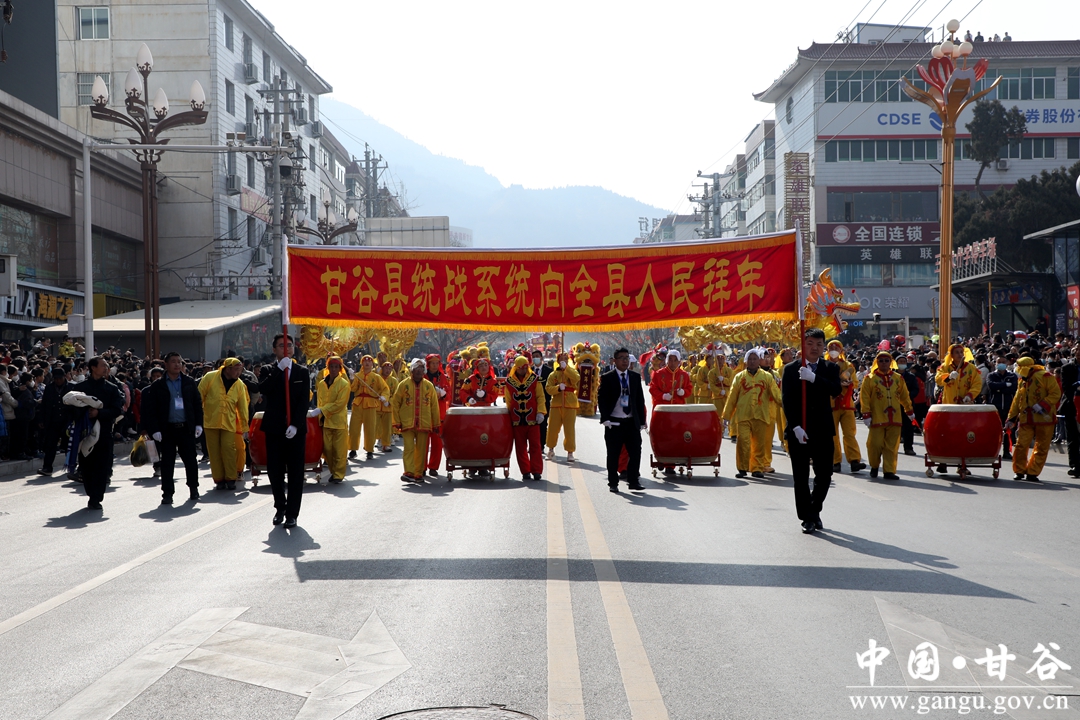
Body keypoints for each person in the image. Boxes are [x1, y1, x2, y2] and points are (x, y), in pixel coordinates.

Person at [782, 329, 842, 534]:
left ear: (823, 346)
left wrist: (814, 378)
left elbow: (836, 389)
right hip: (799, 430)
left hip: (822, 429)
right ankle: (806, 518)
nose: (814, 348)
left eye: (819, 344)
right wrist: (795, 426)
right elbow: (787, 400)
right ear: (803, 344)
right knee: (801, 477)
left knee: (824, 475)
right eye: (810, 343)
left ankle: (815, 510)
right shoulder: (791, 369)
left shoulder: (830, 368)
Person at [259, 334, 310, 528]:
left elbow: (304, 401)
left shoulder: (302, 372)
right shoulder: (268, 370)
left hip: (295, 430)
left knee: (296, 472)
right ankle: (280, 506)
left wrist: (295, 424)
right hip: (274, 428)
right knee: (275, 471)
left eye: (289, 345)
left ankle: (292, 513)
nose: (286, 349)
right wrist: (278, 370)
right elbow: (264, 389)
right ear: (274, 350)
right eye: (282, 346)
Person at [141, 352, 204, 504]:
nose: (177, 364)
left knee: (190, 460)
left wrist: (198, 424)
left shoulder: (189, 382)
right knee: (167, 462)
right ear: (166, 364)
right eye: (173, 361)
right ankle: (167, 493)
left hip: (185, 428)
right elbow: (151, 409)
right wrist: (155, 429)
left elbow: (197, 404)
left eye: (179, 362)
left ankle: (193, 488)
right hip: (167, 429)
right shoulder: (158, 385)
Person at [68, 356, 124, 510]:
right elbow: (71, 409)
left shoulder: (112, 388)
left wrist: (99, 413)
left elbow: (117, 410)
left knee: (102, 466)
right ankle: (90, 492)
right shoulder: (80, 388)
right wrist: (85, 413)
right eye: (103, 365)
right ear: (93, 368)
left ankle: (96, 498)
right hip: (84, 433)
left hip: (104, 432)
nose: (106, 368)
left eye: (107, 366)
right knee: (86, 466)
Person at [723, 349, 780, 479]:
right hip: (743, 415)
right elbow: (732, 398)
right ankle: (742, 468)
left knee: (759, 444)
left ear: (759, 361)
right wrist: (726, 417)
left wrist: (788, 404)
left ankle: (757, 468)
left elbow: (776, 394)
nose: (752, 361)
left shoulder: (767, 377)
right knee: (743, 442)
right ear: (746, 361)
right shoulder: (739, 377)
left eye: (755, 359)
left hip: (761, 415)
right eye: (750, 359)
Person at [859, 351, 916, 480]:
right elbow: (865, 397)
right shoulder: (869, 378)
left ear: (891, 362)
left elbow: (904, 396)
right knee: (875, 444)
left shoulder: (898, 378)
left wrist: (909, 410)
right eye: (881, 360)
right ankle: (874, 466)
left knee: (892, 446)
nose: (884, 363)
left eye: (886, 360)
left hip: (895, 418)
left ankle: (889, 471)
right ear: (876, 362)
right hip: (877, 417)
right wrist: (866, 413)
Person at [598, 347, 646, 492]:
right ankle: (613, 483)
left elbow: (639, 400)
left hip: (631, 422)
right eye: (622, 358)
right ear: (615, 360)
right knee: (613, 454)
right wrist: (605, 418)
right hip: (614, 422)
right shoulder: (607, 377)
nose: (625, 361)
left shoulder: (635, 377)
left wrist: (642, 421)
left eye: (627, 358)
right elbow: (602, 399)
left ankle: (633, 481)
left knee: (635, 452)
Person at [197, 357, 249, 491]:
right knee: (214, 452)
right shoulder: (210, 378)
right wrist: (196, 421)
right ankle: (219, 479)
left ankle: (231, 478)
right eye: (236, 370)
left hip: (229, 423)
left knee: (229, 449)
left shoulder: (239, 385)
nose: (239, 373)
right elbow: (198, 398)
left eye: (240, 370)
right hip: (210, 422)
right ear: (228, 368)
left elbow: (243, 407)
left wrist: (245, 428)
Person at [1007, 356, 1060, 483]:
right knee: (1021, 445)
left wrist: (1042, 404)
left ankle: (1033, 472)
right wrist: (1011, 418)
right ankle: (1019, 470)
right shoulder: (1022, 380)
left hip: (1044, 418)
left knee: (1042, 447)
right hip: (1026, 418)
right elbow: (1017, 400)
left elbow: (1055, 393)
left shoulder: (1045, 376)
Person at [391, 358, 441, 483]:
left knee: (421, 449)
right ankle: (409, 472)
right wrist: (396, 421)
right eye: (416, 368)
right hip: (407, 422)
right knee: (408, 448)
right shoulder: (403, 385)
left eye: (421, 368)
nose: (419, 371)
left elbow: (434, 406)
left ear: (424, 371)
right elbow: (395, 403)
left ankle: (418, 473)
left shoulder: (429, 386)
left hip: (424, 423)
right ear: (412, 370)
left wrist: (436, 424)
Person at [505, 355, 547, 481]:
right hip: (517, 421)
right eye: (520, 368)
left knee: (535, 446)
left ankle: (537, 470)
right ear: (515, 368)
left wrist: (541, 412)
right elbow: (508, 401)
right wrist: (508, 418)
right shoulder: (509, 382)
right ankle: (525, 471)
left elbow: (540, 397)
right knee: (520, 448)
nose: (523, 370)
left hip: (533, 419)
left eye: (525, 367)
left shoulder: (534, 379)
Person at [827, 340, 865, 473]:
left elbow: (855, 382)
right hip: (831, 404)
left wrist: (849, 383)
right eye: (831, 347)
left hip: (847, 404)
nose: (834, 350)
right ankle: (835, 461)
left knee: (850, 434)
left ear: (841, 350)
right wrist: (837, 383)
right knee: (833, 435)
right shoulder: (824, 365)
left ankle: (854, 461)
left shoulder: (848, 365)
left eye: (836, 347)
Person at [313, 354, 350, 484]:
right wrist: (319, 415)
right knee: (327, 450)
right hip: (326, 422)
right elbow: (320, 401)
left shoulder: (344, 384)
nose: (333, 369)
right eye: (331, 366)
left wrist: (322, 410)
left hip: (339, 422)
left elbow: (340, 404)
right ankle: (333, 471)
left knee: (339, 450)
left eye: (336, 367)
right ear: (327, 367)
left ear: (340, 368)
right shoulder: (322, 384)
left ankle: (338, 475)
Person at [349, 355, 390, 461]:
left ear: (372, 364)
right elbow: (353, 389)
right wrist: (352, 378)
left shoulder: (376, 377)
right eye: (365, 361)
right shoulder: (358, 375)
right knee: (354, 428)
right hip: (358, 403)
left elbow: (385, 388)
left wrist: (384, 397)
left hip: (371, 404)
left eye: (369, 361)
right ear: (362, 363)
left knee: (370, 428)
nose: (367, 363)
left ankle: (369, 450)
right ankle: (353, 449)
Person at [545, 351, 579, 462]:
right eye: (561, 359)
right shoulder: (553, 374)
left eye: (565, 358)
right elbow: (548, 388)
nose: (563, 360)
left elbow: (576, 378)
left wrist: (566, 369)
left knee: (569, 430)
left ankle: (570, 452)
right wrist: (558, 388)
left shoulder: (572, 371)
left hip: (570, 404)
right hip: (556, 404)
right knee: (552, 428)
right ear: (558, 361)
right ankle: (550, 449)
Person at [37, 367, 71, 476]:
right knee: (50, 445)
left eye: (60, 378)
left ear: (64, 377)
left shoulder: (71, 387)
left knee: (68, 445)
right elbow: (44, 405)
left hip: (67, 421)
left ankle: (71, 466)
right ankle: (47, 467)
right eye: (56, 379)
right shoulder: (49, 388)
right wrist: (41, 419)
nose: (58, 381)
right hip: (53, 421)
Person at [424, 354, 453, 477]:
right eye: (432, 363)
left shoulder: (443, 377)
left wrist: (443, 394)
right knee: (423, 443)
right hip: (424, 414)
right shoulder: (423, 377)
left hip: (438, 414)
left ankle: (433, 467)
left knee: (437, 443)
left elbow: (449, 394)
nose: (435, 366)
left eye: (437, 363)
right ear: (428, 364)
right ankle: (421, 467)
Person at [986, 357, 1018, 461]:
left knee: (1008, 430)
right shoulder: (991, 375)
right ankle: (992, 451)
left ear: (1007, 363)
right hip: (995, 407)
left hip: (1009, 407)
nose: (1001, 364)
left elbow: (1013, 388)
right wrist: (1005, 385)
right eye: (999, 362)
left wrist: (1000, 389)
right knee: (994, 430)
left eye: (1003, 362)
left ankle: (1006, 452)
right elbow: (991, 386)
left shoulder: (1012, 376)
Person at [376, 360, 398, 458]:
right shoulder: (377, 378)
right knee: (376, 425)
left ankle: (386, 444)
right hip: (377, 405)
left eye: (390, 369)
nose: (388, 370)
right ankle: (378, 439)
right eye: (386, 368)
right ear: (382, 368)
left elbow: (396, 394)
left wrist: (389, 401)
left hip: (388, 407)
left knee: (387, 427)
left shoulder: (394, 381)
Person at [533, 349, 553, 451]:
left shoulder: (549, 371)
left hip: (545, 401)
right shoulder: (529, 371)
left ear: (541, 358)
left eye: (537, 356)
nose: (535, 358)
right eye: (533, 357)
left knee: (543, 424)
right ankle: (533, 444)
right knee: (532, 425)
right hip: (531, 402)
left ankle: (541, 445)